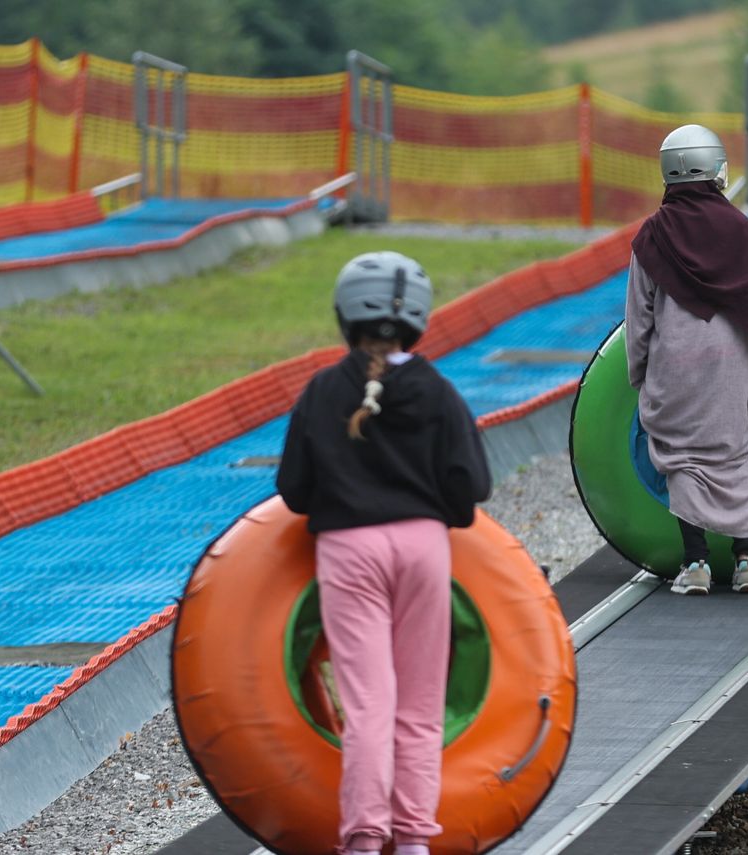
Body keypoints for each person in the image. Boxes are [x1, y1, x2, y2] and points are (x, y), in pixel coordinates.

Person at [276, 251, 492, 855]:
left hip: (349, 550)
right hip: (423, 548)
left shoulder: (324, 391)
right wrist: (442, 514)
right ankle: (415, 839)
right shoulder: (438, 391)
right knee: (419, 705)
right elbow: (472, 484)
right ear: (418, 319)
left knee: (370, 703)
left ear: (346, 316)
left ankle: (366, 837)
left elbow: (293, 489)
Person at [625, 124, 748, 596]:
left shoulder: (653, 234)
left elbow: (639, 316)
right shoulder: (739, 228)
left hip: (674, 362)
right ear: (717, 170)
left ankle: (695, 562)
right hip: (729, 362)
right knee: (731, 449)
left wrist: (639, 372)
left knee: (682, 455)